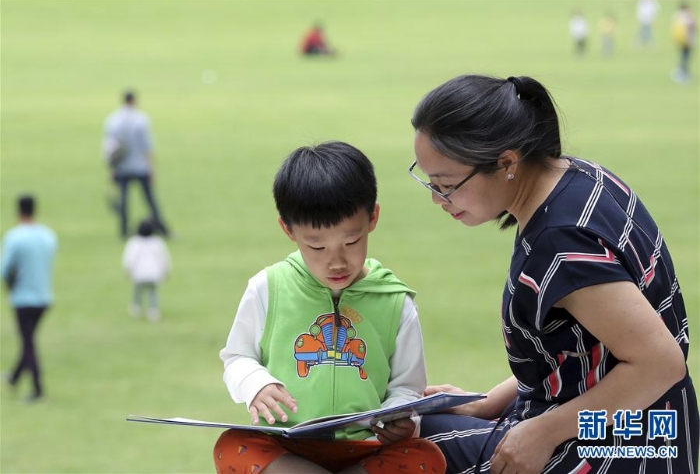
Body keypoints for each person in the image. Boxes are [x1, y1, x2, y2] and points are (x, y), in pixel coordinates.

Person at [407, 74, 698, 473]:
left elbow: (660, 363)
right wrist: (493, 400)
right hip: (631, 426)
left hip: (622, 448)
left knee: (408, 445)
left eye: (446, 185)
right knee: (421, 426)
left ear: (507, 162)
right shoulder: (577, 177)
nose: (437, 199)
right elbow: (580, 353)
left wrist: (542, 433)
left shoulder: (561, 243)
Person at [213, 142, 446, 474]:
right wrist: (256, 383)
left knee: (425, 456)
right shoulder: (267, 289)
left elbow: (407, 388)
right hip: (288, 446)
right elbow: (237, 358)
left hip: (364, 448)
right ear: (288, 229)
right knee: (232, 446)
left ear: (373, 218)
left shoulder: (396, 301)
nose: (336, 261)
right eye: (316, 246)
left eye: (351, 242)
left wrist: (400, 417)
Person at [1, 195, 58, 402]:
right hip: (44, 296)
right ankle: (14, 377)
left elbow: (4, 269)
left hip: (23, 298)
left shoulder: (14, 237)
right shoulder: (48, 236)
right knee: (28, 339)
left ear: (19, 211)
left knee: (28, 343)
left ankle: (37, 389)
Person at [103, 90, 170, 239]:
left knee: (124, 201)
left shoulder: (113, 120)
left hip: (122, 167)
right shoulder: (141, 119)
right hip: (140, 166)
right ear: (134, 101)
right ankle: (161, 227)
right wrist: (151, 167)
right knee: (150, 200)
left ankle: (123, 231)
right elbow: (146, 146)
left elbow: (110, 147)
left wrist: (111, 168)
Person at [121, 219, 171, 321]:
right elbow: (163, 258)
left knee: (137, 290)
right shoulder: (157, 243)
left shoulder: (134, 242)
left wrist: (127, 270)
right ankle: (153, 311)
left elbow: (129, 258)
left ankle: (136, 308)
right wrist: (166, 271)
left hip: (138, 273)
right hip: (153, 273)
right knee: (152, 292)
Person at [671, 1, 697, 84]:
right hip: (686, 41)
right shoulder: (684, 18)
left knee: (685, 57)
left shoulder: (679, 16)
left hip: (683, 41)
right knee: (685, 57)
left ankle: (683, 72)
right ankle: (682, 74)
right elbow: (690, 28)